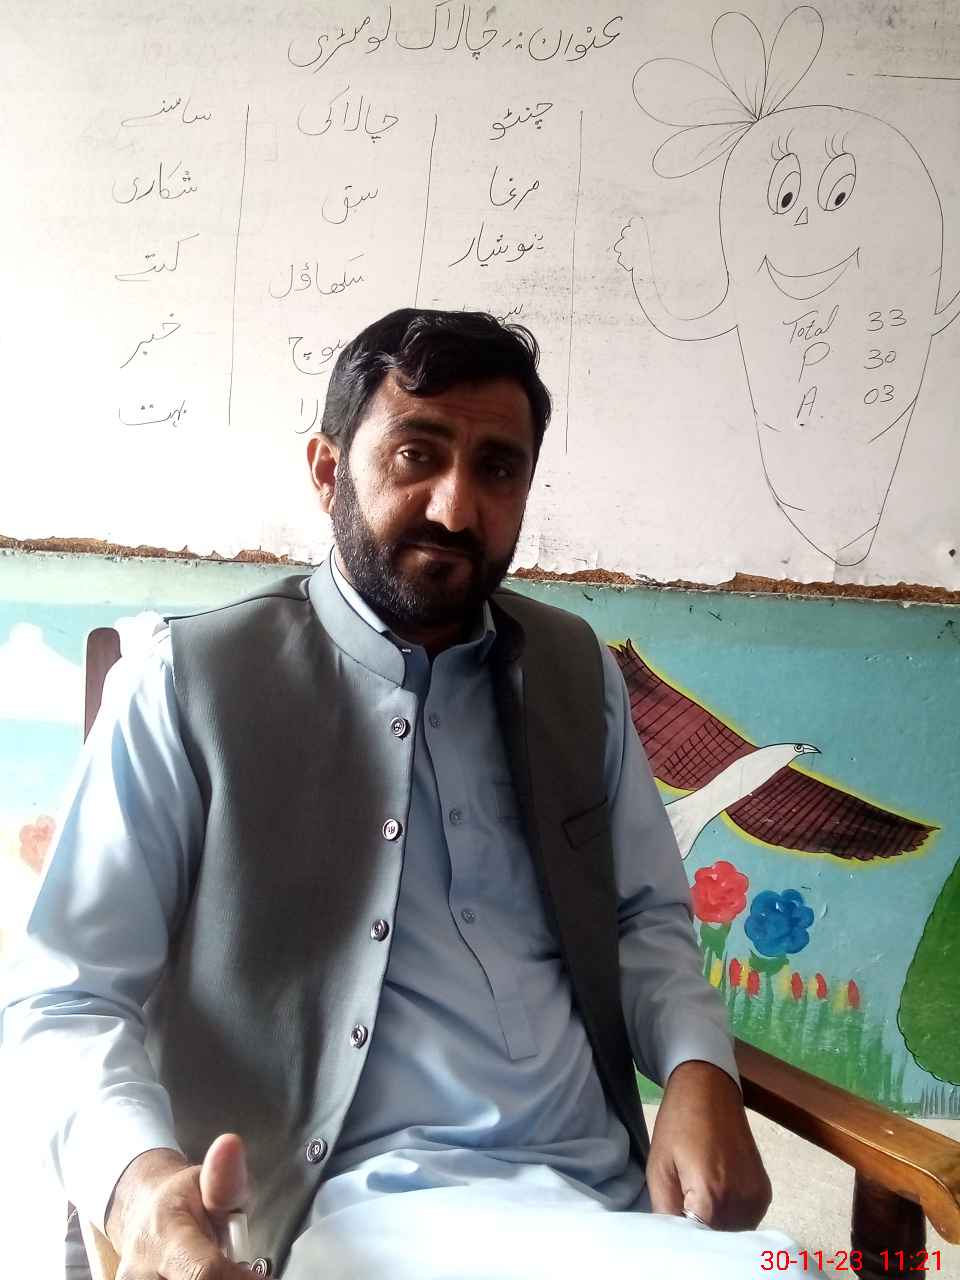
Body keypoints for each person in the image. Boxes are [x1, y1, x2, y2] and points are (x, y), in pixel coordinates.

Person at [1, 309, 821, 1279]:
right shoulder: (187, 684)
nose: (456, 509)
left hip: (605, 1200)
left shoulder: (573, 673)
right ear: (327, 471)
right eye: (416, 454)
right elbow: (67, 998)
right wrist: (140, 1192)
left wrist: (697, 1069)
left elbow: (644, 918)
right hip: (350, 1211)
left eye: (498, 469)